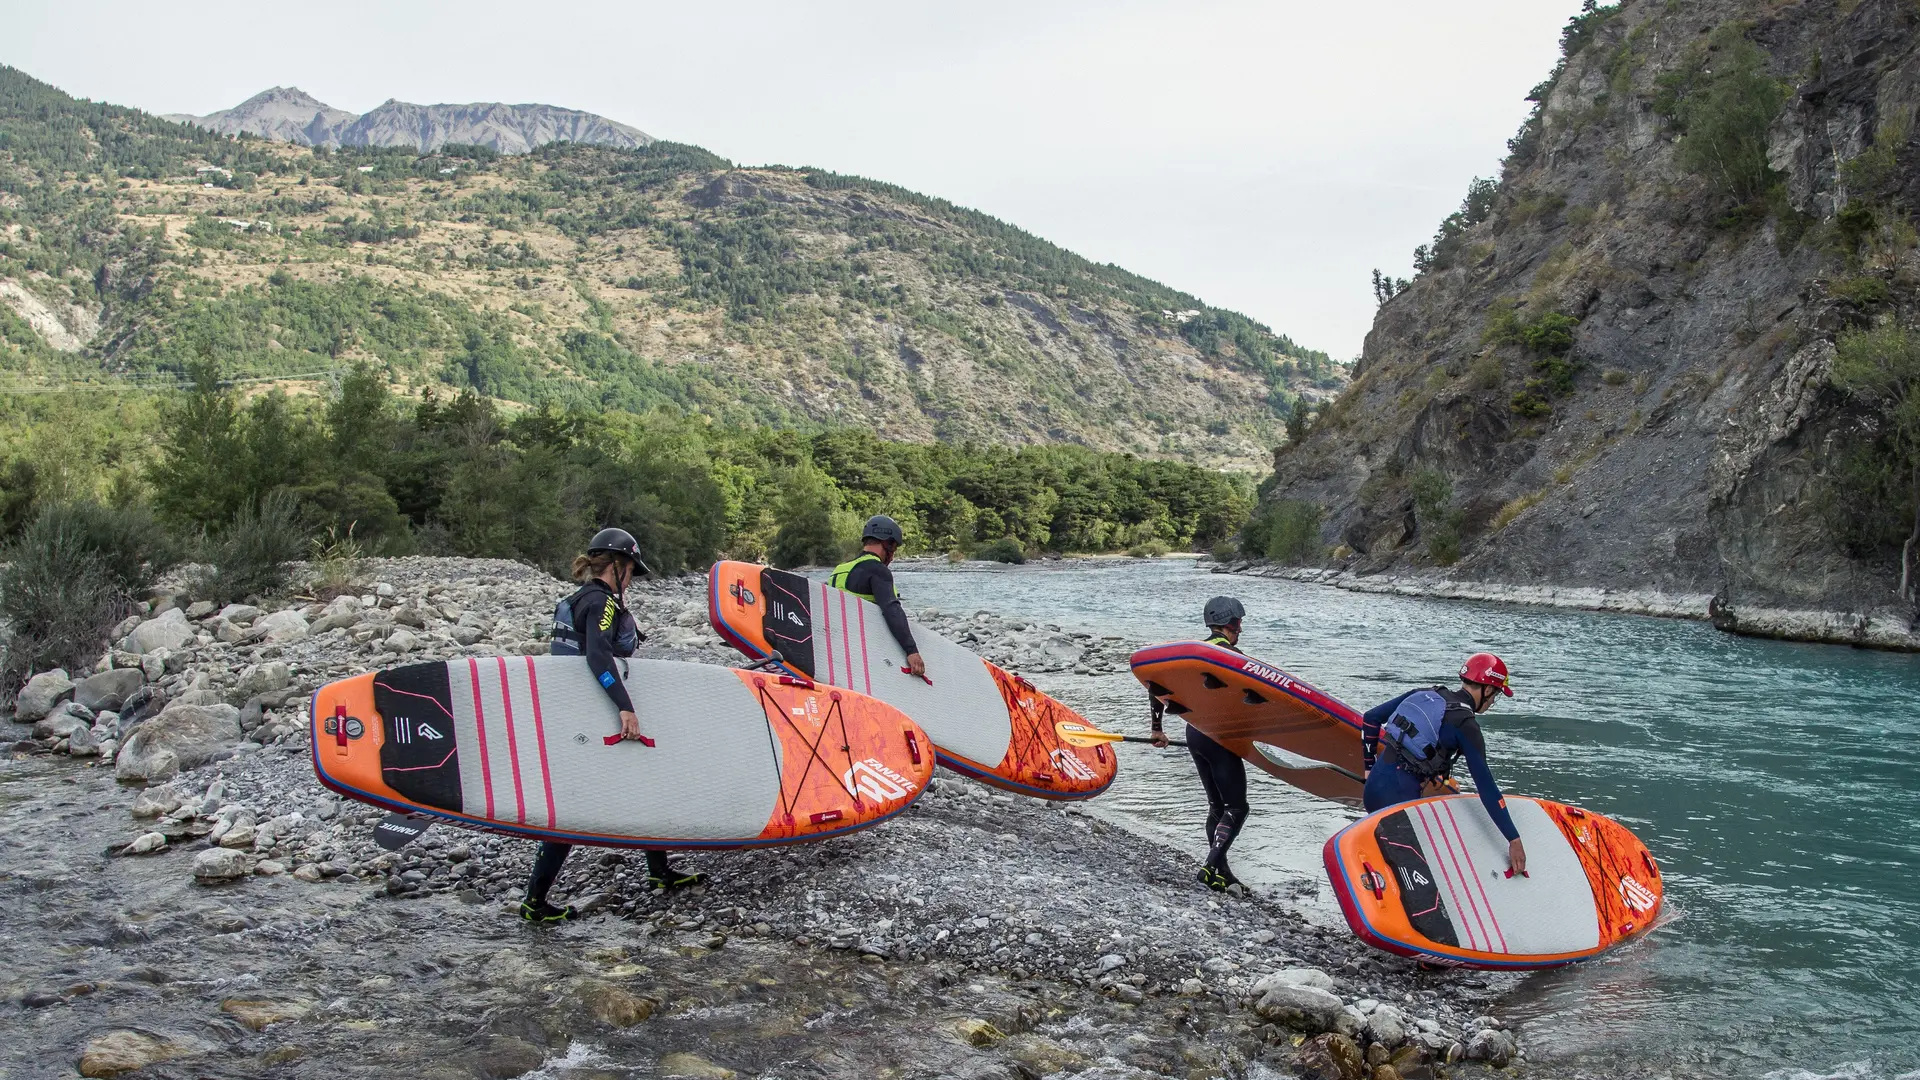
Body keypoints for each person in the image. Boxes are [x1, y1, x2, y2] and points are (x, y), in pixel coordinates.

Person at [519, 528, 696, 924]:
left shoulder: (576, 600)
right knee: (575, 806)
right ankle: (535, 900)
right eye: (632, 570)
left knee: (647, 783)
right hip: (595, 715)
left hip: (572, 710)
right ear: (618, 566)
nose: (632, 578)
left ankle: (659, 871)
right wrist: (625, 708)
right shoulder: (601, 602)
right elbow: (598, 657)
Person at [1360, 652, 1527, 876]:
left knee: (1384, 860)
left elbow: (1370, 718)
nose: (1492, 701)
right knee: (1418, 874)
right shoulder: (1466, 724)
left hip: (1371, 792)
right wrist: (1513, 838)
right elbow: (1486, 788)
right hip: (1397, 806)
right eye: (1495, 694)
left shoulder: (1426, 693)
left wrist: (1369, 768)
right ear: (1486, 689)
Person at [1152, 595, 1250, 892]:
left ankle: (1222, 873)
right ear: (1230, 623)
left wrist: (1157, 729)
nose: (1241, 630)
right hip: (1218, 738)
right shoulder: (1232, 656)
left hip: (1195, 734)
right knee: (1238, 807)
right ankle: (1210, 867)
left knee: (1217, 806)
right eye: (1239, 623)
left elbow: (1155, 683)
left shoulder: (1194, 657)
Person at [829, 515, 926, 679]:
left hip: (835, 643)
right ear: (887, 543)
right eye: (893, 549)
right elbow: (891, 609)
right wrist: (911, 650)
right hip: (861, 649)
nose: (893, 556)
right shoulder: (877, 570)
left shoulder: (840, 569)